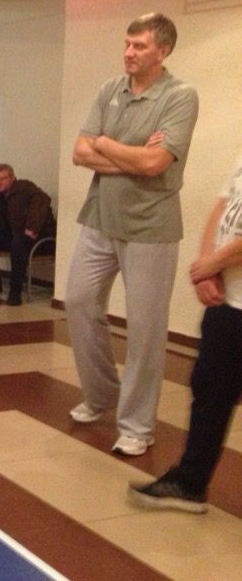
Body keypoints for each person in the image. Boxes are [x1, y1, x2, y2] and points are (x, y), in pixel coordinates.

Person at [67, 12, 199, 456]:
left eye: (139, 46)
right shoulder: (111, 90)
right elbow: (80, 152)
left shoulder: (179, 96)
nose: (128, 52)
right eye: (127, 43)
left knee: (145, 329)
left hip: (150, 227)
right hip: (99, 217)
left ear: (163, 51)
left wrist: (105, 143)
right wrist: (126, 154)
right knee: (79, 303)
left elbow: (155, 164)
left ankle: (137, 426)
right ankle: (102, 393)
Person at [128, 156, 242, 512]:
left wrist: (213, 264)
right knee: (209, 389)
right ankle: (190, 483)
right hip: (229, 298)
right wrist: (207, 269)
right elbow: (222, 207)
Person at [0, 164, 55, 306]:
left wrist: (31, 228)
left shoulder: (24, 187)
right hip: (16, 236)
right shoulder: (0, 197)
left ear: (12, 177)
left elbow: (42, 201)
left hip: (39, 237)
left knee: (18, 242)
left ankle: (15, 291)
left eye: (3, 178)